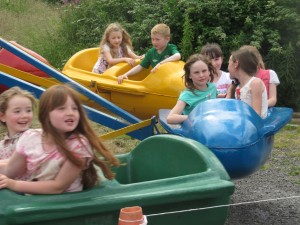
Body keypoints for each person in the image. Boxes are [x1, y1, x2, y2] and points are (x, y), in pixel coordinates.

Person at [0, 84, 120, 194]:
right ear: (46, 114)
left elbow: (58, 186)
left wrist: (14, 184)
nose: (70, 113)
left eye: (74, 108)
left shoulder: (78, 145)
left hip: (63, 207)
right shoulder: (30, 138)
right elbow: (11, 170)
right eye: (62, 108)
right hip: (33, 203)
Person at [166, 54, 217, 124]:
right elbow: (170, 118)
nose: (201, 75)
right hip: (194, 129)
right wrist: (194, 118)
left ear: (209, 71)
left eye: (204, 71)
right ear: (189, 75)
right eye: (196, 72)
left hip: (211, 124)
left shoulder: (212, 87)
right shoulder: (187, 95)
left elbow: (210, 97)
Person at [227, 48, 268, 118]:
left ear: (236, 64)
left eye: (229, 63)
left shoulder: (255, 83)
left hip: (256, 125)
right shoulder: (238, 87)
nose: (227, 67)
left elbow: (256, 113)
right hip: (245, 122)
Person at [0, 87, 36, 160]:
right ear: (2, 116)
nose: (24, 115)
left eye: (28, 110)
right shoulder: (1, 146)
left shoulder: (35, 138)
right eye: (17, 111)